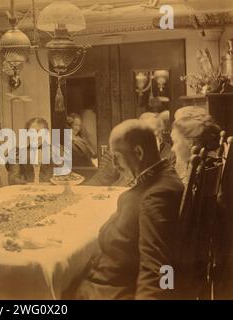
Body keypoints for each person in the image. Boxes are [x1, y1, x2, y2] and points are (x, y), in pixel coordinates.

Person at [76, 119, 184, 299]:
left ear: (138, 152)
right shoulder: (163, 179)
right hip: (108, 281)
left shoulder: (155, 196)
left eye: (116, 157)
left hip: (109, 291)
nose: (115, 166)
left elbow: (157, 267)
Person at [8, 117, 62, 185]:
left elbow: (63, 178)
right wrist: (31, 186)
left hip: (51, 191)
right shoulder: (18, 153)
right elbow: (13, 179)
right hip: (26, 191)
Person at [171, 114, 221, 184]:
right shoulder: (206, 164)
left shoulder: (196, 172)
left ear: (190, 143)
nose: (172, 149)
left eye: (175, 142)